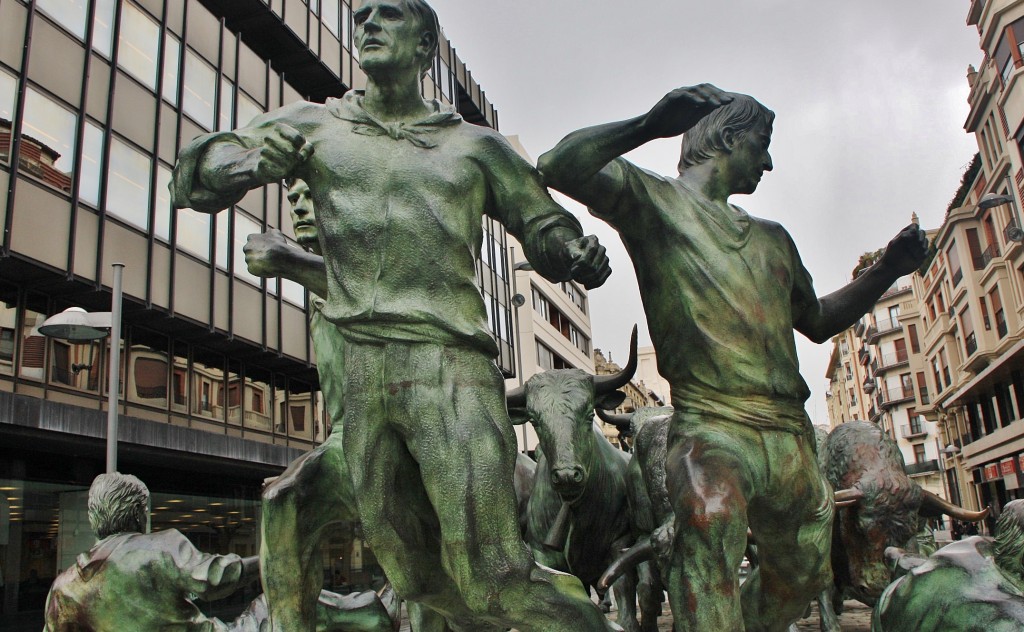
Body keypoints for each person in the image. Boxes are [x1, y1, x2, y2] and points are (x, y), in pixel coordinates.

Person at [170, 1, 615, 630]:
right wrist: (238, 165)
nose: (368, 25)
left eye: (390, 14)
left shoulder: (474, 146)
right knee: (413, 576)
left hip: (449, 365)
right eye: (363, 15)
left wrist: (574, 253)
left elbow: (542, 224)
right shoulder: (315, 128)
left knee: (492, 578)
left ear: (425, 46)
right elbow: (196, 176)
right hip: (362, 373)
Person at [538, 84, 928, 631]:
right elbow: (559, 165)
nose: (768, 161)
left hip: (789, 435)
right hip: (712, 427)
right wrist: (652, 123)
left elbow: (816, 322)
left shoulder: (774, 240)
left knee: (803, 574)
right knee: (709, 519)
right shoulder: (654, 205)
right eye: (760, 143)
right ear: (725, 137)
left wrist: (887, 268)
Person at [42, 473, 398, 632]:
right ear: (139, 514)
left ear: (93, 517)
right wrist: (276, 555)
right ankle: (379, 614)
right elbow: (217, 578)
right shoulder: (155, 547)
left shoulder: (63, 588)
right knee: (279, 607)